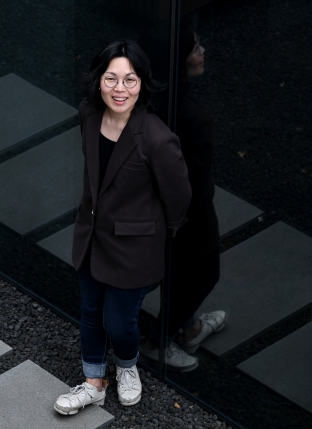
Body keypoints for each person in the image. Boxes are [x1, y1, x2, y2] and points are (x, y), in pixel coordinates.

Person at [53, 40, 191, 415]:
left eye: (130, 80)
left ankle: (127, 365)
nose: (120, 88)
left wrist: (158, 233)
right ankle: (93, 382)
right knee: (90, 312)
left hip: (135, 247)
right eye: (111, 78)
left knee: (119, 320)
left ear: (142, 84)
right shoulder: (88, 115)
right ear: (98, 81)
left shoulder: (158, 140)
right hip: (91, 237)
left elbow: (179, 197)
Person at [138, 25, 226, 371]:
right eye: (195, 47)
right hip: (186, 209)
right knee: (203, 273)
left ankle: (188, 328)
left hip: (148, 200)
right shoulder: (192, 117)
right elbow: (196, 178)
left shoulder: (142, 96)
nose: (202, 51)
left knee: (174, 269)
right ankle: (157, 341)